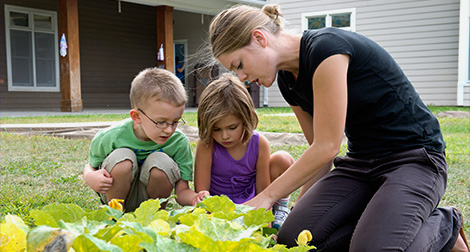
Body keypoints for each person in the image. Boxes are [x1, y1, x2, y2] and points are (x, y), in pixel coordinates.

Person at [208, 4, 469, 252]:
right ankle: (383, 219)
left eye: (238, 65)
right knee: (295, 239)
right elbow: (318, 155)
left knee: (374, 249)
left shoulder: (327, 50)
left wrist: (265, 197)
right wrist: (301, 214)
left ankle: (445, 223)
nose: (240, 78)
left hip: (414, 158)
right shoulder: (287, 81)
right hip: (361, 164)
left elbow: (328, 146)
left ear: (259, 38)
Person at [83, 67, 208, 212]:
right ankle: (115, 214)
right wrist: (90, 177)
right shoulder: (110, 137)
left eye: (175, 122)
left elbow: (181, 191)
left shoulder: (178, 142)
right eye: (161, 122)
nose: (169, 129)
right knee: (122, 158)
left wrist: (194, 199)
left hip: (152, 201)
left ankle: (155, 214)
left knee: (161, 161)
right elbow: (91, 166)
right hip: (117, 197)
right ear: (136, 117)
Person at [194, 73, 295, 229]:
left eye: (232, 127)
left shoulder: (259, 143)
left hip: (251, 204)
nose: (224, 136)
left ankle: (280, 208)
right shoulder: (207, 144)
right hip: (219, 210)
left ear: (246, 119)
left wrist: (266, 229)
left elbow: (263, 192)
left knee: (283, 159)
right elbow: (202, 193)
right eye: (216, 129)